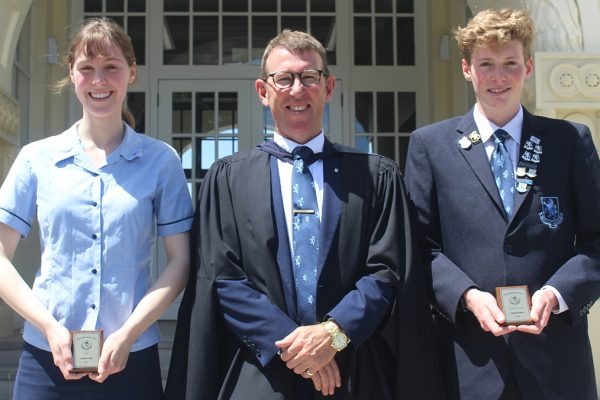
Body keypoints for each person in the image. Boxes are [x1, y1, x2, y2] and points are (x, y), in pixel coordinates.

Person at [165, 29, 443, 399]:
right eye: (284, 78)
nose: (297, 89)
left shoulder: (376, 176)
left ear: (328, 88)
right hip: (262, 368)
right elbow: (221, 275)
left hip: (352, 369)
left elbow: (389, 269)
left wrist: (332, 334)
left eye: (309, 77)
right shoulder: (228, 179)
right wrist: (296, 348)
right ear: (263, 92)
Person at [404, 8, 600, 400]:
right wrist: (467, 297)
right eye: (486, 64)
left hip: (556, 363)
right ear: (466, 69)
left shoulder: (569, 141)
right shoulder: (430, 146)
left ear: (527, 66)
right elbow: (419, 247)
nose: (498, 77)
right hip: (469, 363)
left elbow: (596, 241)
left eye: (510, 63)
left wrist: (557, 294)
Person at [0, 18, 194, 399]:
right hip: (47, 357)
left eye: (111, 67)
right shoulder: (36, 159)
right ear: (72, 75)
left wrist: (128, 333)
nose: (99, 80)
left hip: (131, 356)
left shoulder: (161, 161)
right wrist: (49, 328)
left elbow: (180, 262)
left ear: (131, 73)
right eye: (86, 68)